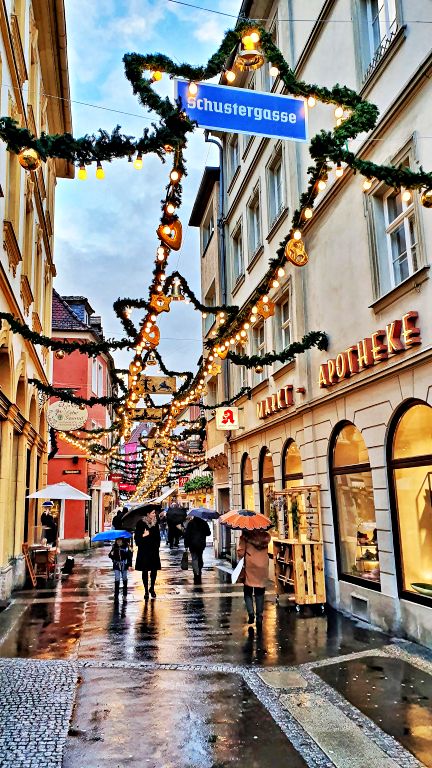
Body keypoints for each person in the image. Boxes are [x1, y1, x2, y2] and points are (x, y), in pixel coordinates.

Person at [237, 529, 271, 631]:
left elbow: (241, 553)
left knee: (247, 591)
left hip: (250, 566)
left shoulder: (245, 537)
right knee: (260, 591)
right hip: (263, 566)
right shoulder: (265, 537)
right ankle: (259, 617)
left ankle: (251, 613)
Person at [135, 509, 161, 600]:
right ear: (148, 513)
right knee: (145, 570)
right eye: (153, 513)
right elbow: (136, 539)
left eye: (155, 513)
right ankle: (146, 590)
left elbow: (158, 537)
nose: (154, 514)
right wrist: (143, 535)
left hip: (154, 550)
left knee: (154, 570)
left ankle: (152, 588)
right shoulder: (140, 523)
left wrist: (157, 546)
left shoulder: (156, 523)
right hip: (144, 551)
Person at [184, 515, 211, 584]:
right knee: (200, 556)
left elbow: (187, 535)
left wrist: (186, 545)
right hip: (201, 544)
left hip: (192, 544)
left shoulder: (190, 523)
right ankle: (199, 569)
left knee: (194, 558)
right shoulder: (204, 523)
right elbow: (208, 533)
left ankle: (196, 572)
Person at [109, 537, 132, 602]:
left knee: (124, 579)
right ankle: (116, 595)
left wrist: (129, 565)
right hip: (116, 565)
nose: (118, 542)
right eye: (117, 540)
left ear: (122, 541)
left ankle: (124, 595)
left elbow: (129, 556)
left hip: (124, 565)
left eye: (120, 540)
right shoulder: (114, 547)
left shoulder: (126, 547)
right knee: (117, 579)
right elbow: (110, 555)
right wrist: (111, 554)